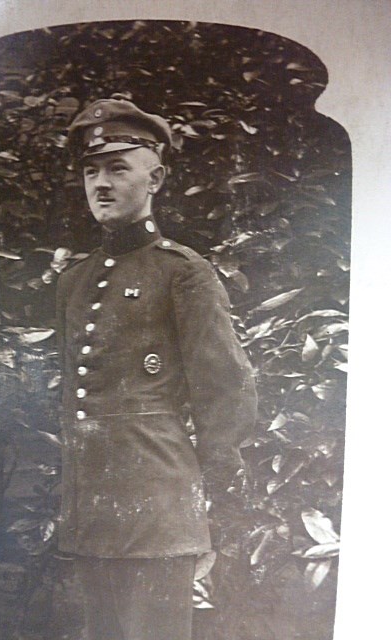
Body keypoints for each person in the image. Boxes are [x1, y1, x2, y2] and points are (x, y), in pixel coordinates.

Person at [55, 97, 257, 640]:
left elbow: (225, 387)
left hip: (159, 510)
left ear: (156, 179)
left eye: (118, 168)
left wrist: (210, 501)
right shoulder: (75, 282)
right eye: (91, 171)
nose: (101, 184)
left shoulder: (182, 272)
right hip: (92, 507)